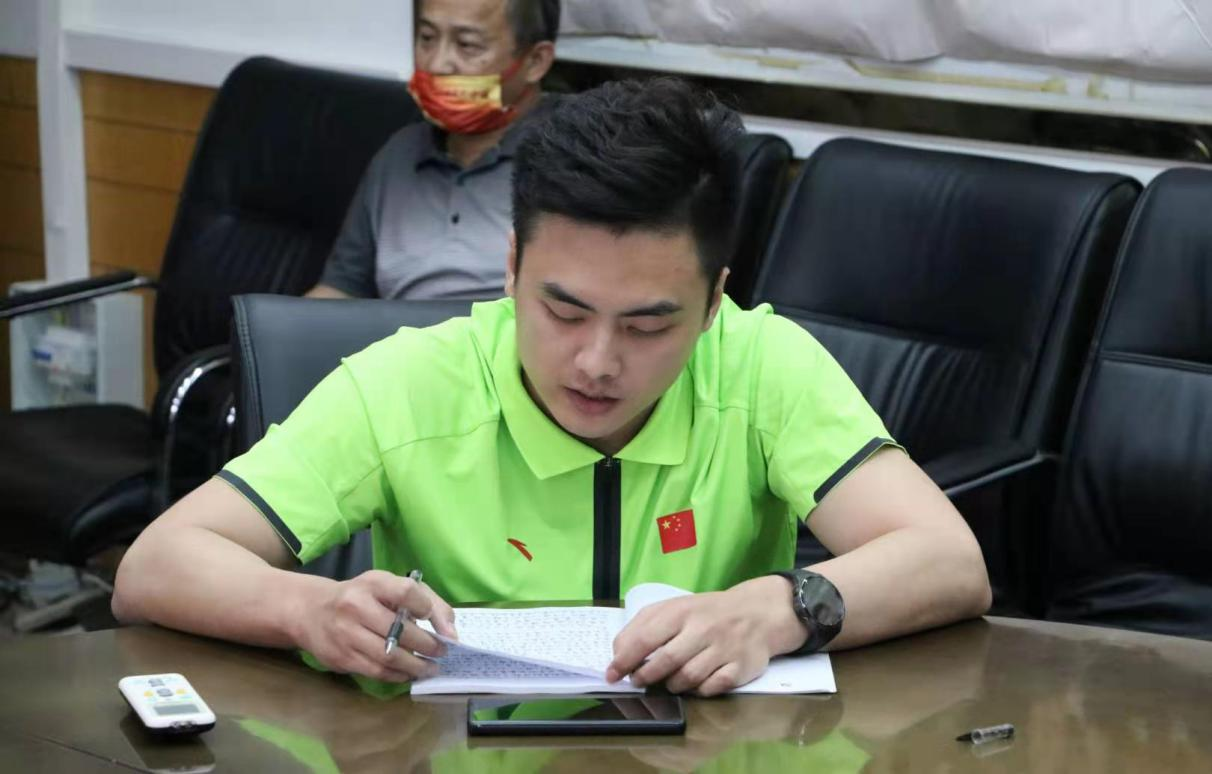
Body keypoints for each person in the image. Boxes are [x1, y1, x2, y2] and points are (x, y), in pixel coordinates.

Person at [112, 77, 991, 698]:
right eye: (563, 310)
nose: (596, 362)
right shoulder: (411, 384)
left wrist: (784, 606)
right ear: (511, 268)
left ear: (714, 300)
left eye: (648, 325)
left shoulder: (762, 366)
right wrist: (309, 607)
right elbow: (156, 565)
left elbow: (950, 561)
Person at [307, 0, 559, 300]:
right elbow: (341, 289)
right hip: (397, 329)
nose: (438, 64)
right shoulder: (400, 153)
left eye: (467, 45)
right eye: (427, 38)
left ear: (535, 62)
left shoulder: (577, 151)